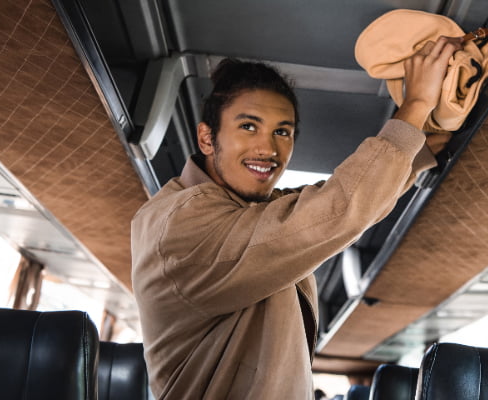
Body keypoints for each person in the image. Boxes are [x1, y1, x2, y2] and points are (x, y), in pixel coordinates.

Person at [131, 37, 461, 399]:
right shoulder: (181, 223)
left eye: (282, 132)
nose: (268, 149)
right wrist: (414, 106)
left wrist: (418, 150)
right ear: (207, 139)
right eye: (248, 126)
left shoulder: (244, 210)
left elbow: (332, 201)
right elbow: (337, 210)